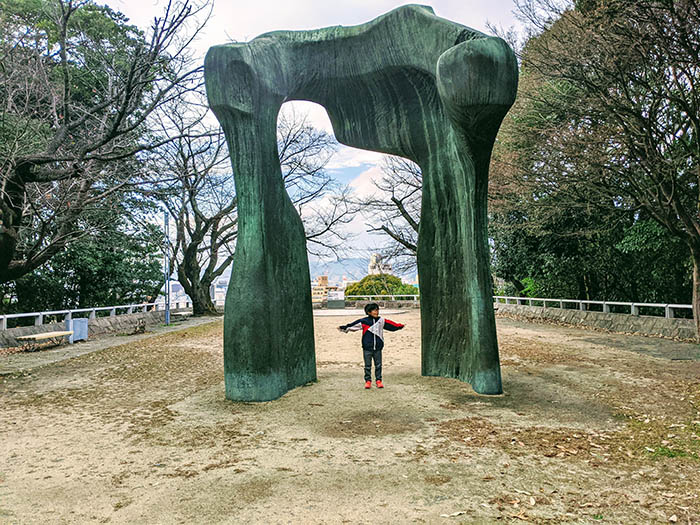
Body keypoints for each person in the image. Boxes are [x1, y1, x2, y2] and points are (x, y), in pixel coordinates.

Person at [337, 303, 405, 389]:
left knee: (378, 365)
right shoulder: (364, 321)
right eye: (374, 310)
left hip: (378, 347)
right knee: (367, 366)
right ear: (369, 312)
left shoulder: (381, 320)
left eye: (377, 310)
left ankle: (378, 380)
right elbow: (352, 326)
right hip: (367, 348)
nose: (376, 311)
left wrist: (400, 326)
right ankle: (368, 381)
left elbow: (391, 325)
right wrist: (343, 327)